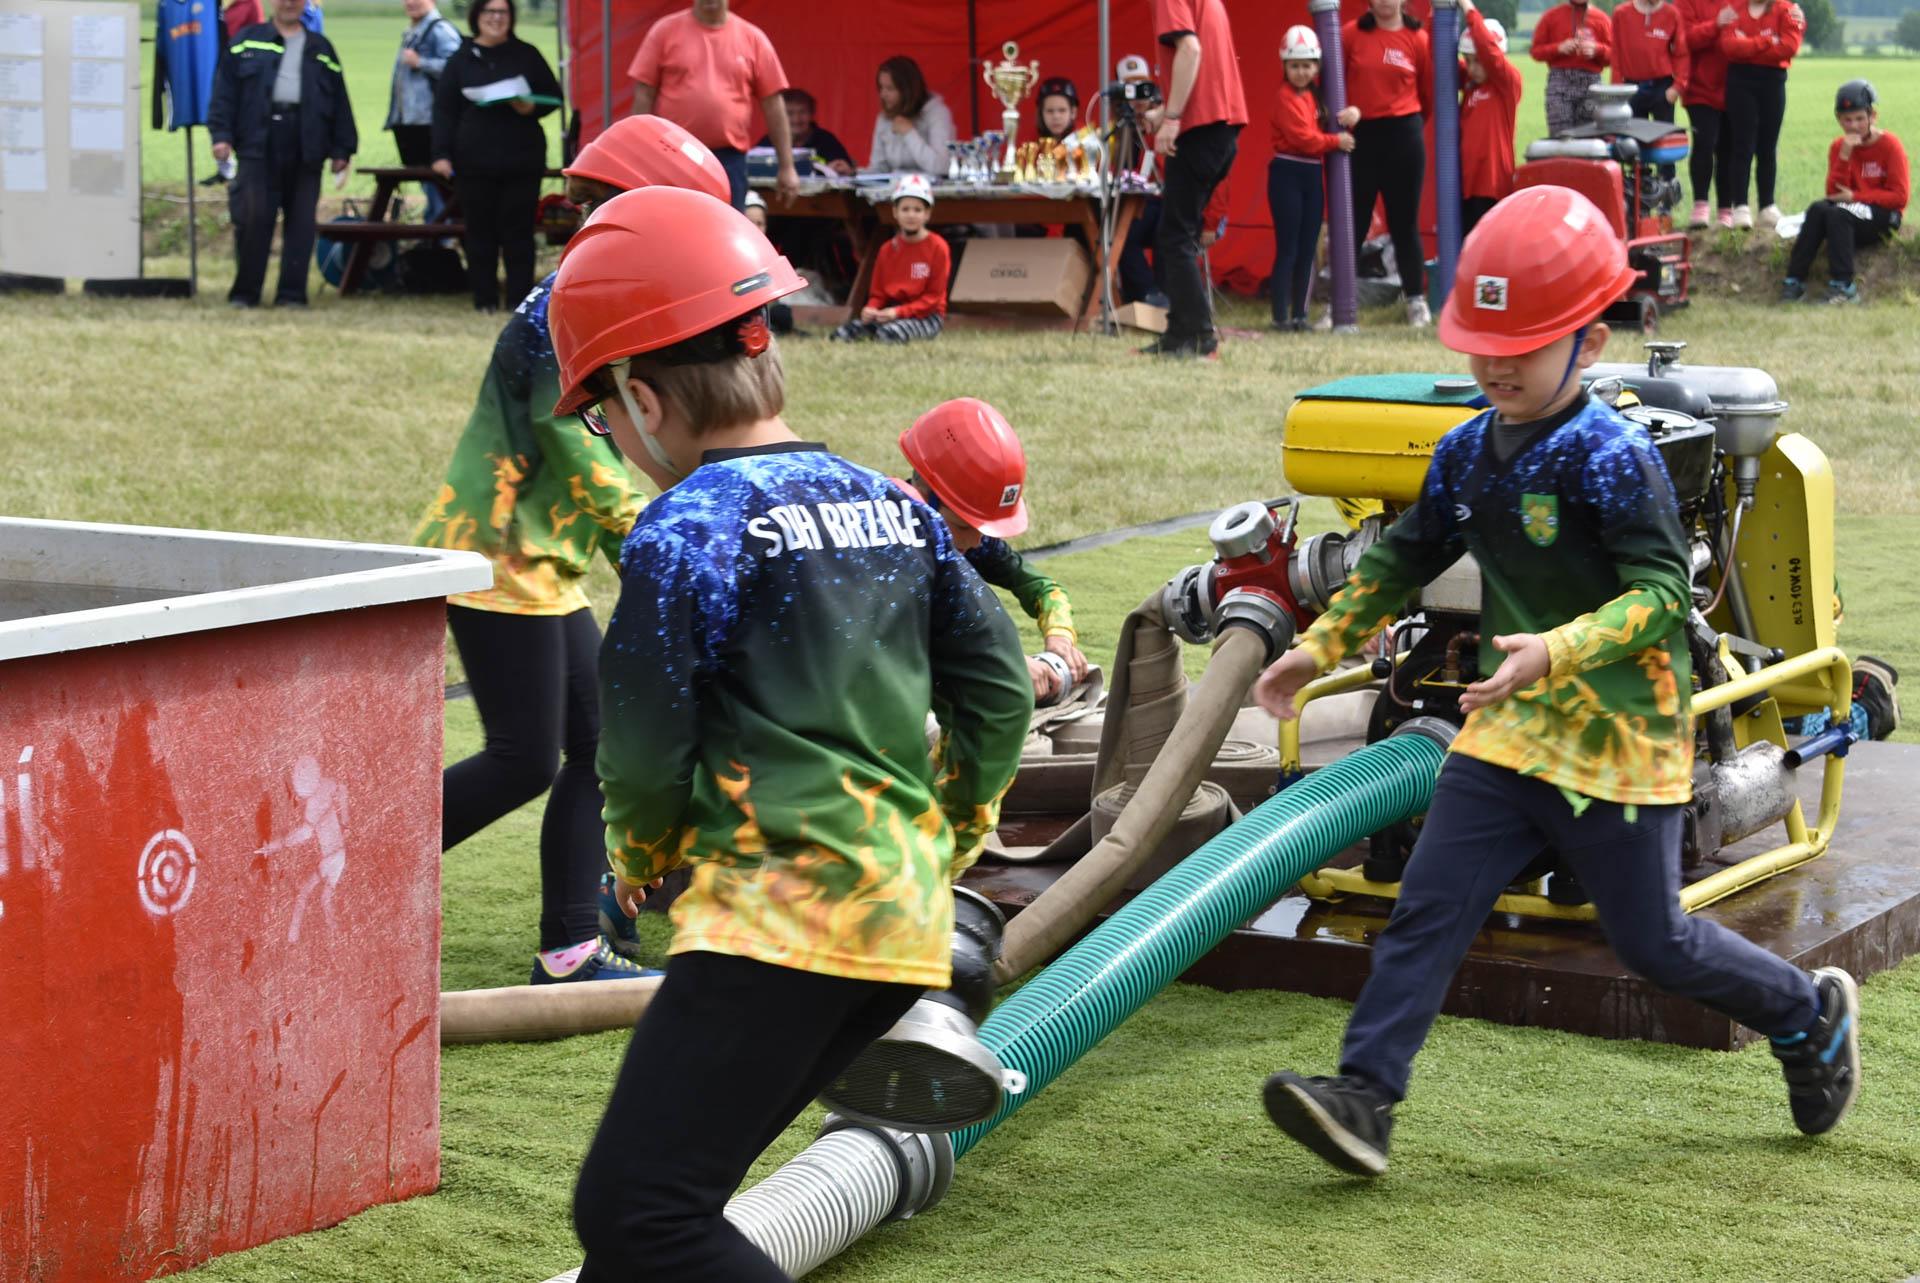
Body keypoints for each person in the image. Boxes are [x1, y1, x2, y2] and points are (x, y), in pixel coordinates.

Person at [1252, 184, 1862, 1178]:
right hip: (1508, 728)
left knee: (1653, 942)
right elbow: (1401, 557)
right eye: (1482, 344)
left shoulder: (1612, 455)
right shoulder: (1464, 450)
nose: (1498, 364)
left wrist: (1556, 648)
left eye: (1524, 345)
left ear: (1590, 340)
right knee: (1428, 905)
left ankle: (1807, 1015)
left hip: (1619, 738)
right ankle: (1365, 1096)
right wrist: (1320, 647)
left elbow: (1664, 596)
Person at [551, 185, 1031, 1281]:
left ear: (642, 398)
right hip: (899, 925)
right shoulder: (895, 507)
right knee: (671, 1210)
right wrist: (953, 826)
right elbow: (1000, 689)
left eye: (603, 417)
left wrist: (640, 854)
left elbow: (642, 744)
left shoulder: (685, 527)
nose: (613, 439)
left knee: (642, 1215)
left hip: (780, 921)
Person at [412, 116, 731, 985]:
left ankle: (570, 946)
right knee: (523, 757)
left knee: (596, 745)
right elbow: (581, 454)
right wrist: (665, 555)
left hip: (539, 564)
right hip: (494, 560)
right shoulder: (559, 314)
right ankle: (342, 870)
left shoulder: (594, 298)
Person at [897, 398, 1091, 702]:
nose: (977, 541)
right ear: (923, 498)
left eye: (983, 528)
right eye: (965, 526)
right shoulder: (887, 546)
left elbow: (1044, 589)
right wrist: (1003, 665)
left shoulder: (967, 538)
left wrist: (1060, 635)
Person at [208, 0, 356, 308]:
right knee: (253, 219)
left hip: (306, 142)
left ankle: (291, 294)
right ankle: (245, 293)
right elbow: (224, 92)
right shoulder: (246, 42)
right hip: (258, 142)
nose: (289, 3)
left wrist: (343, 148)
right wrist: (221, 135)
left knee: (301, 223)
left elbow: (339, 101)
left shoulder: (321, 48)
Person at [431, 0, 559, 312]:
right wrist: (441, 154)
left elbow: (554, 96)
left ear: (511, 18)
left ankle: (519, 301)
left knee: (519, 232)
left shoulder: (526, 54)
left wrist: (531, 107)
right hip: (474, 160)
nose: (496, 18)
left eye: (503, 12)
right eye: (490, 12)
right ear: (477, 16)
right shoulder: (460, 59)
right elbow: (444, 111)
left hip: (521, 159)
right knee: (479, 232)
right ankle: (484, 299)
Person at [1141, 0, 1248, 358]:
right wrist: (1164, 112)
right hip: (1222, 125)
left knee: (1175, 238)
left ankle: (1199, 336)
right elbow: (1207, 68)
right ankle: (1179, 335)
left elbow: (1190, 49)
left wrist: (1172, 118)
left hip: (1200, 129)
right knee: (1178, 234)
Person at [630, 0, 796, 208]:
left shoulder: (753, 38)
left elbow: (773, 104)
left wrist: (787, 166)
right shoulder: (664, 31)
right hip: (673, 154)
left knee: (726, 224)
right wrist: (638, 155)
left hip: (728, 160)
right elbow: (644, 94)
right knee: (671, 221)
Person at [1344, 0, 1434, 327]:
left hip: (1404, 136)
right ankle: (1340, 302)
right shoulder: (1351, 34)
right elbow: (1332, 84)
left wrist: (1404, 123)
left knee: (1404, 224)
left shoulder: (1418, 39)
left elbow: (1427, 94)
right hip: (1361, 137)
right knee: (1353, 222)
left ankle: (1415, 301)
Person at [1781, 79, 1907, 305]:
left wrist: (1855, 197)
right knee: (1818, 209)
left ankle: (1844, 286)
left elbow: (1899, 197)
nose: (1854, 126)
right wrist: (1845, 155)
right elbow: (1833, 193)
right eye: (1847, 120)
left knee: (1838, 214)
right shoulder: (1839, 147)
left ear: (1872, 116)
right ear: (1839, 119)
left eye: (1859, 119)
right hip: (1849, 210)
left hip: (1885, 214)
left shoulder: (1890, 145)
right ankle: (1793, 280)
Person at [1267, 26, 1352, 331]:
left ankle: (1300, 316)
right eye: (1295, 66)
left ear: (1316, 67)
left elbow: (1327, 124)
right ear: (1285, 66)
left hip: (1312, 174)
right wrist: (1336, 141)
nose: (1301, 72)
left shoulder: (1316, 96)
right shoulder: (1284, 97)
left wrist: (1351, 116)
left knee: (1307, 250)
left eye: (1307, 65)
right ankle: (1280, 317)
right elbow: (1303, 138)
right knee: (1288, 248)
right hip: (1288, 173)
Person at [831, 173, 949, 343]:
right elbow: (878, 294)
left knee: (889, 335)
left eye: (917, 210)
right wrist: (871, 309)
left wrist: (898, 313)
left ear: (927, 214)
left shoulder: (938, 247)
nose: (911, 215)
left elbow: (933, 298)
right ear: (895, 212)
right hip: (890, 311)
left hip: (927, 315)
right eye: (905, 209)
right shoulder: (886, 250)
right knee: (843, 334)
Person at [1720, 0, 1805, 230]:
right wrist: (1768, 41)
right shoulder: (1734, 8)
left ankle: (1767, 206)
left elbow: (1789, 47)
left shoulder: (1786, 10)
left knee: (1768, 146)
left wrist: (1747, 44)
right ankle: (1740, 207)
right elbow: (1729, 46)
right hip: (1740, 83)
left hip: (1773, 82)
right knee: (1742, 145)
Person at [385, 0, 461, 222]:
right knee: (430, 185)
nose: (411, 3)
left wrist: (421, 62)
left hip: (430, 123)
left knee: (439, 187)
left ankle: (440, 232)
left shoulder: (440, 29)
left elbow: (457, 67)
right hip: (412, 122)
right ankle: (436, 231)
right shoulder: (413, 31)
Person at [1459, 0, 1522, 237]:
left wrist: (1468, 8)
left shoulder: (1507, 84)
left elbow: (1489, 51)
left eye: (1478, 60)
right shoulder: (1471, 86)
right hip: (1466, 184)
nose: (1472, 68)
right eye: (1468, 60)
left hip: (1493, 185)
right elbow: (1439, 59)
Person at [1611, 0, 1690, 182]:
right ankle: (1638, 186)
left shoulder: (1671, 14)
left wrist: (1678, 87)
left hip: (1662, 87)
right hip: (1631, 87)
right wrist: (1617, 88)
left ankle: (1667, 186)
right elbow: (1616, 53)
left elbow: (1681, 53)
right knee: (1633, 142)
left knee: (1665, 140)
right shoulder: (1622, 13)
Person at [1679, 0, 1736, 227]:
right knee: (1704, 144)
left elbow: (1762, 14)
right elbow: (1685, 38)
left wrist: (1792, 13)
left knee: (1729, 150)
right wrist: (1716, 25)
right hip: (1700, 88)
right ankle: (1700, 205)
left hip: (1735, 87)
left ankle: (1726, 209)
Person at [1531, 0, 1612, 136]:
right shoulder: (1551, 17)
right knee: (1560, 136)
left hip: (1591, 83)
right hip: (1559, 82)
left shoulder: (1602, 19)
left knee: (1590, 135)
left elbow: (1615, 56)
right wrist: (1558, 48)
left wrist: (1597, 50)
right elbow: (1536, 51)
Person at [863, 55, 955, 175]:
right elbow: (878, 168)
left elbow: (941, 166)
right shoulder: (884, 117)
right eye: (881, 87)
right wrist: (854, 173)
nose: (883, 94)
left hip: (928, 186)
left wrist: (909, 133)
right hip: (894, 185)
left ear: (907, 90)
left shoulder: (937, 113)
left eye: (890, 88)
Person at [757, 87, 854, 175]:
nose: (796, 119)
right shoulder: (769, 141)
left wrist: (844, 170)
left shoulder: (826, 140)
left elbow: (849, 171)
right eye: (790, 113)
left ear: (812, 114)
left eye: (802, 112)